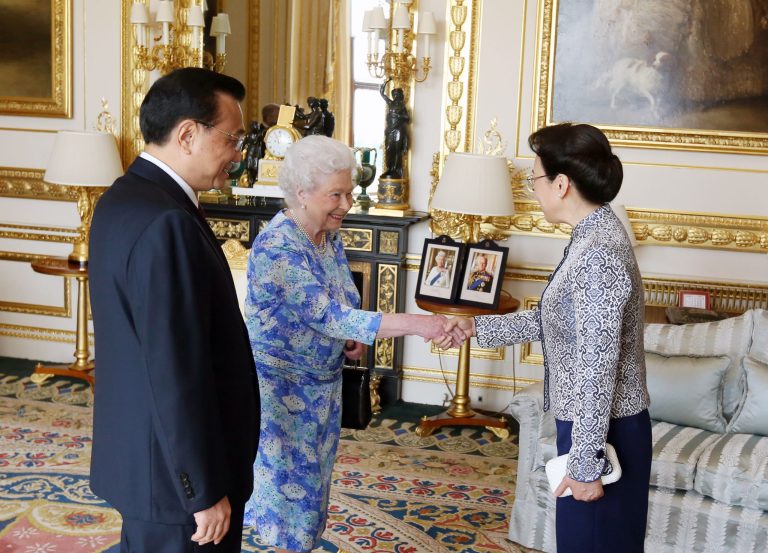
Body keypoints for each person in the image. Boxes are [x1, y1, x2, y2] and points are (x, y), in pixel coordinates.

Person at [242, 135, 459, 553]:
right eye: (336, 194)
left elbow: (340, 301)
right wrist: (417, 324)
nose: (346, 203)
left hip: (323, 387)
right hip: (282, 391)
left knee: (314, 484)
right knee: (288, 490)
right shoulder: (279, 246)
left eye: (349, 192)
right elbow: (329, 315)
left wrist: (346, 342)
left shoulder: (326, 234)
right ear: (302, 194)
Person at [445, 123, 652, 553]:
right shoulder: (590, 236)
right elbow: (554, 321)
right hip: (590, 426)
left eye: (534, 179)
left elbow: (598, 362)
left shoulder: (598, 252)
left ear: (562, 184)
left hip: (602, 430)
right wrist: (475, 328)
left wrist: (586, 462)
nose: (532, 189)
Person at [88, 67, 260, 553]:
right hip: (176, 483)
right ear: (188, 134)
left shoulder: (122, 199)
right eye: (233, 138)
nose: (238, 154)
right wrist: (201, 490)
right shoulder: (167, 220)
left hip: (146, 461)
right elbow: (173, 369)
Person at [379, 80, 410, 179]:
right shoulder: (390, 103)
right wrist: (386, 82)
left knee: (397, 150)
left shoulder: (402, 106)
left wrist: (397, 115)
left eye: (398, 94)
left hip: (398, 130)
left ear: (400, 95)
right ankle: (389, 169)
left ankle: (396, 170)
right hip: (390, 130)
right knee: (389, 148)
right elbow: (382, 93)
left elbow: (407, 118)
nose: (396, 96)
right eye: (395, 94)